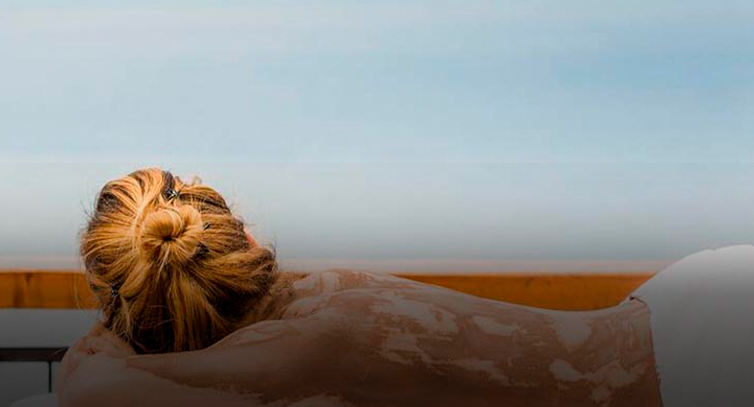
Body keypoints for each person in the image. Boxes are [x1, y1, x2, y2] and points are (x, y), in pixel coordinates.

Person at [49, 168, 753, 407]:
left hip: (703, 359)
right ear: (250, 244)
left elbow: (87, 386)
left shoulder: (308, 347)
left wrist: (132, 305)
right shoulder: (318, 303)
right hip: (691, 317)